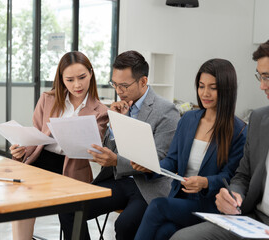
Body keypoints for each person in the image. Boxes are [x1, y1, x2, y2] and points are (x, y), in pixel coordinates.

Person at [171, 34, 269, 240]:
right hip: (254, 221)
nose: (262, 86)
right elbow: (243, 176)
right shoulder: (259, 119)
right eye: (260, 77)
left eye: (268, 77)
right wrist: (234, 194)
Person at [59, 50, 181, 240]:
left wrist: (116, 160)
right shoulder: (121, 106)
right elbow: (109, 149)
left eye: (124, 85)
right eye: (114, 84)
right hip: (119, 181)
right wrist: (114, 125)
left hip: (149, 186)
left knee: (125, 224)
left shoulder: (167, 111)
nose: (118, 91)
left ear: (143, 81)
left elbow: (159, 160)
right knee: (69, 207)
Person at [132, 58, 247, 240]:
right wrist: (151, 167)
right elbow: (172, 161)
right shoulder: (188, 119)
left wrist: (205, 182)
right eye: (201, 86)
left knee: (157, 206)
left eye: (213, 87)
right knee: (165, 232)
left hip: (210, 205)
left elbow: (231, 177)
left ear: (226, 89)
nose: (205, 93)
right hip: (181, 200)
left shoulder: (239, 130)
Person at [9, 51, 109, 240]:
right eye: (69, 80)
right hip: (42, 161)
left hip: (72, 167)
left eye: (82, 77)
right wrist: (20, 151)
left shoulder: (100, 110)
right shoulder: (48, 99)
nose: (77, 85)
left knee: (71, 213)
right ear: (61, 79)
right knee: (20, 198)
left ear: (91, 74)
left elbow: (94, 146)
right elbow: (36, 135)